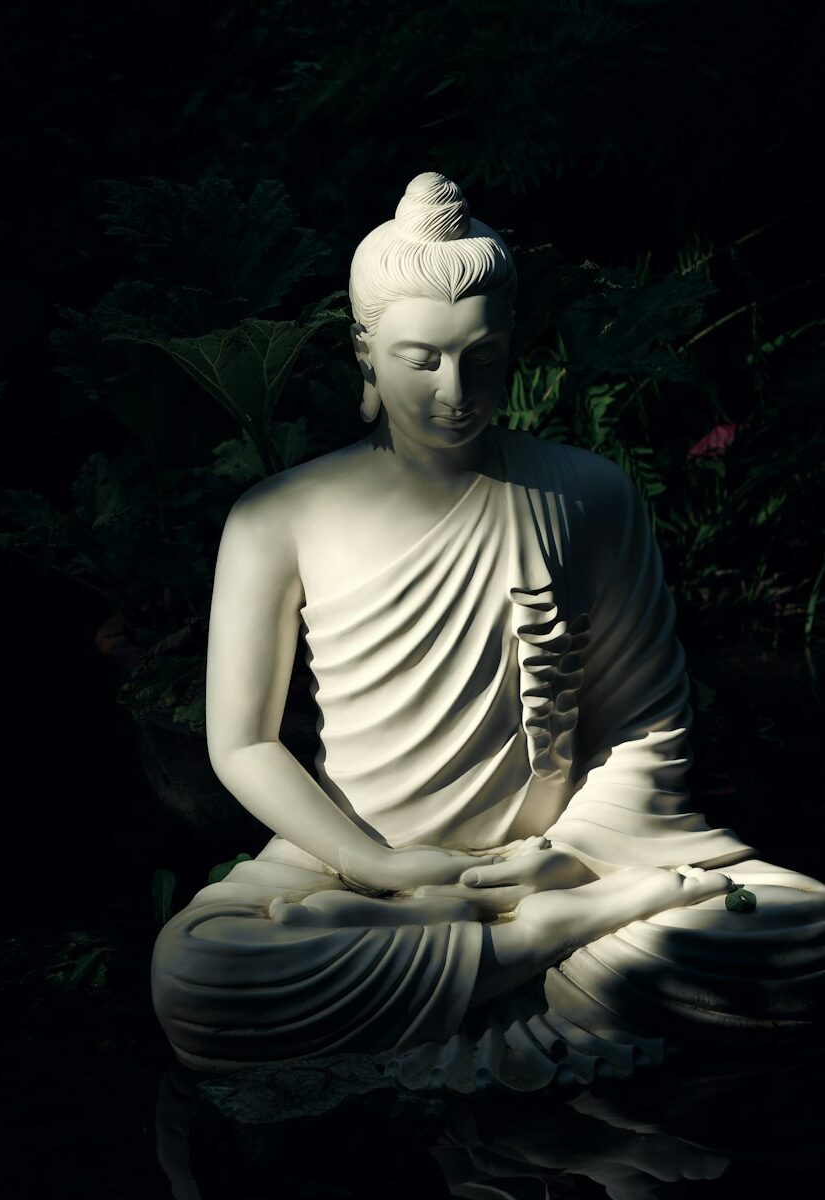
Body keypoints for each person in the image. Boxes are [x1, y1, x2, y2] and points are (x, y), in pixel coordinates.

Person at [151, 173, 825, 1091]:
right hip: (349, 865)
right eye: (419, 360)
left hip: (570, 859)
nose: (453, 391)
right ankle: (545, 949)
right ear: (363, 353)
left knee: (801, 932)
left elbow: (643, 726)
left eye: (483, 357)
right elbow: (241, 742)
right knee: (201, 980)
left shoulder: (586, 494)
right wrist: (373, 864)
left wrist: (562, 863)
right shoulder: (279, 515)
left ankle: (514, 941)